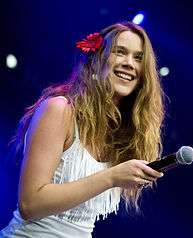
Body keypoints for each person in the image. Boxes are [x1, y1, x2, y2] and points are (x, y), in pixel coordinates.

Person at [0, 21, 165, 238]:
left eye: (138, 58)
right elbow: (30, 204)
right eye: (120, 52)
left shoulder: (123, 133)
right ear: (97, 60)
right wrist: (112, 177)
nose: (129, 64)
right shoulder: (60, 109)